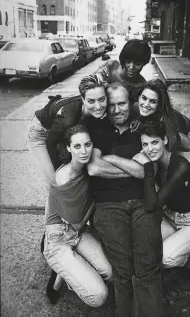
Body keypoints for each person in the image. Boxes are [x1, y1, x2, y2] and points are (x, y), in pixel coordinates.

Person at [87, 82, 163, 317]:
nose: (117, 110)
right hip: (108, 205)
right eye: (112, 105)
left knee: (147, 266)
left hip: (142, 201)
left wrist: (112, 158)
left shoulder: (142, 127)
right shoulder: (96, 130)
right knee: (122, 267)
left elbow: (148, 171)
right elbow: (94, 169)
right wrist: (134, 166)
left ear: (129, 103)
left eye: (122, 104)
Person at [43, 124, 112, 305]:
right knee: (99, 297)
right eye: (77, 146)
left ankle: (68, 270)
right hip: (60, 236)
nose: (84, 151)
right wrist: (94, 202)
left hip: (80, 233)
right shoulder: (65, 177)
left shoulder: (90, 169)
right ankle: (61, 270)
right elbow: (76, 222)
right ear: (68, 148)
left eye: (87, 145)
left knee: (111, 273)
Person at [134, 120, 190, 273]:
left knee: (165, 258)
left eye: (155, 142)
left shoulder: (181, 166)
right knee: (143, 247)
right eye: (145, 144)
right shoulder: (156, 162)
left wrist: (148, 169)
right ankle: (183, 243)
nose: (150, 149)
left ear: (165, 140)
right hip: (169, 218)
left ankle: (188, 253)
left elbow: (152, 205)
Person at [28, 73, 108, 181]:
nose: (98, 106)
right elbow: (51, 143)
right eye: (91, 101)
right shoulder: (67, 120)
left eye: (102, 99)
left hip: (65, 126)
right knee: (55, 182)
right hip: (42, 133)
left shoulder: (99, 109)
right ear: (83, 100)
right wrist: (59, 173)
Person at [133, 78, 190, 164]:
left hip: (188, 136)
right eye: (144, 98)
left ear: (159, 105)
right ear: (139, 97)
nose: (146, 105)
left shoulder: (165, 122)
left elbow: (189, 146)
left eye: (153, 101)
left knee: (176, 171)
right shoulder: (136, 107)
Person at [94, 39, 151, 103]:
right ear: (123, 59)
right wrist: (98, 79)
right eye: (128, 61)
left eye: (137, 64)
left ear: (144, 63)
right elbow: (86, 84)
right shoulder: (111, 66)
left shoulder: (141, 86)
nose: (131, 67)